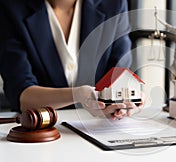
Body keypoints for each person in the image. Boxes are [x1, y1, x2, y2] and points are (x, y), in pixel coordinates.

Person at [0, 0, 143, 120]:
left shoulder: (113, 4)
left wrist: (129, 103)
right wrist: (78, 95)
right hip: (42, 128)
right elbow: (21, 94)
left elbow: (120, 73)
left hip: (101, 127)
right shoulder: (11, 7)